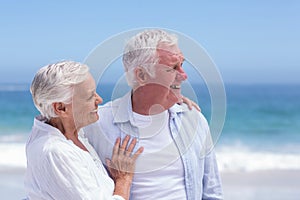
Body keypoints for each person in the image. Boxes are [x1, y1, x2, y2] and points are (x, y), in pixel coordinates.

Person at [85, 29, 223, 199]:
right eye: (173, 68)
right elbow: (53, 134)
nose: (184, 75)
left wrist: (168, 93)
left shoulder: (193, 119)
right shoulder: (98, 124)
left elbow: (212, 193)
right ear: (141, 75)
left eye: (182, 65)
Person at [24, 61, 144, 200]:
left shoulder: (72, 132)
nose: (99, 99)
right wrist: (124, 180)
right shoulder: (56, 152)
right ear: (61, 108)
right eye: (89, 96)